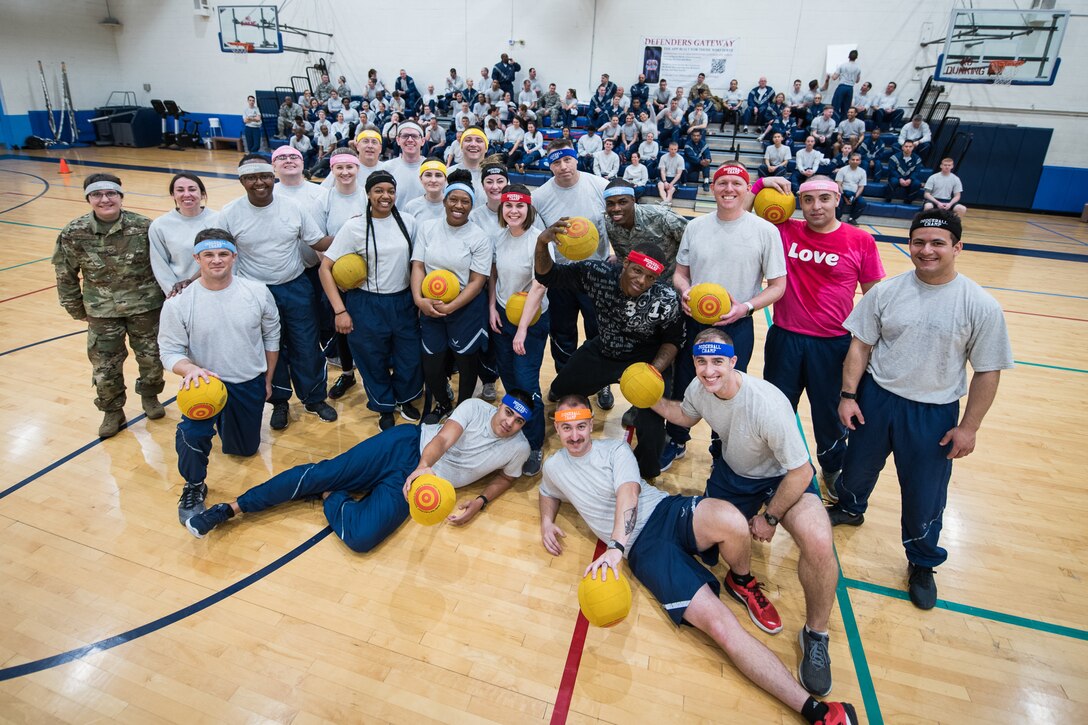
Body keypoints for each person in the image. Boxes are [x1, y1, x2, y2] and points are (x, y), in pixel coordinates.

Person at [540, 395, 860, 725]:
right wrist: (546, 521)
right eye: (567, 428)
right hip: (646, 552)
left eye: (581, 426)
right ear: (557, 428)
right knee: (721, 626)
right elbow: (547, 492)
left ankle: (741, 580)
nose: (575, 435)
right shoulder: (554, 468)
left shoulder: (615, 450)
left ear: (591, 423)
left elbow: (629, 495)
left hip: (666, 511)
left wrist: (615, 547)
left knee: (734, 521)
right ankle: (818, 711)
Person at [826, 209, 1012, 610]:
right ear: (909, 244)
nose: (926, 250)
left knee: (924, 493)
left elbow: (987, 372)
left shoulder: (979, 305)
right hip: (878, 399)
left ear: (957, 248)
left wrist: (970, 427)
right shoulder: (886, 292)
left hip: (933, 413)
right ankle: (850, 508)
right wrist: (848, 395)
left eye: (937, 243)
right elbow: (859, 346)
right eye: (919, 242)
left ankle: (922, 560)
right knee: (857, 467)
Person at [652, 327, 842, 696]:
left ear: (734, 362)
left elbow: (802, 470)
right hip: (734, 475)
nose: (709, 371)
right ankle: (740, 582)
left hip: (782, 477)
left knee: (819, 541)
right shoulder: (698, 387)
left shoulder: (766, 404)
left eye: (717, 362)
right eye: (701, 362)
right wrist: (649, 398)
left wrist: (770, 517)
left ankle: (816, 636)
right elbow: (686, 416)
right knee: (704, 549)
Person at [186, 394, 532, 549]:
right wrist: (424, 466)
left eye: (518, 422)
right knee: (322, 473)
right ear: (499, 405)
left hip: (418, 484)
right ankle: (230, 509)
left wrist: (482, 501)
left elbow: (508, 477)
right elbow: (443, 439)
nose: (509, 423)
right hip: (406, 448)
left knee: (362, 537)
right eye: (508, 413)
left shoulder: (518, 449)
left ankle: (331, 497)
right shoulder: (474, 407)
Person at [755, 173, 885, 499]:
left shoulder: (860, 240)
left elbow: (874, 299)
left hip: (833, 344)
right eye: (809, 200)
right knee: (777, 410)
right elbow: (745, 206)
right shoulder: (785, 230)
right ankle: (774, 469)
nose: (816, 207)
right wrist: (762, 184)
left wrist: (871, 346)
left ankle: (831, 467)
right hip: (785, 338)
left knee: (829, 415)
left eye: (824, 199)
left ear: (838, 199)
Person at [662, 164, 785, 470]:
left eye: (736, 184)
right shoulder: (696, 226)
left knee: (730, 389)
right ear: (713, 188)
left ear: (747, 190)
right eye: (722, 183)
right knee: (686, 385)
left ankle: (722, 447)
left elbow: (778, 287)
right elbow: (680, 274)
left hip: (737, 324)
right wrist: (685, 291)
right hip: (694, 323)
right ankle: (676, 439)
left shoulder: (765, 231)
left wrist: (745, 307)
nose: (729, 189)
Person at [535, 236, 682, 480]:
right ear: (625, 263)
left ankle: (645, 474)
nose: (642, 281)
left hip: (645, 360)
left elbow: (673, 341)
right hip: (604, 349)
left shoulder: (666, 298)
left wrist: (652, 372)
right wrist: (542, 242)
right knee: (560, 389)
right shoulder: (597, 273)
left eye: (650, 277)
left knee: (652, 423)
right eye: (637, 271)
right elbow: (547, 276)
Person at [159, 228, 279, 523]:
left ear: (234, 256)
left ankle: (229, 426)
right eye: (208, 255)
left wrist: (267, 379)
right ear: (196, 258)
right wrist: (189, 369)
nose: (216, 260)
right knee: (191, 433)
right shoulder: (179, 302)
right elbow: (169, 350)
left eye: (223, 253)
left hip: (246, 381)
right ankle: (194, 484)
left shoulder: (256, 292)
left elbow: (271, 336)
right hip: (204, 386)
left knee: (244, 451)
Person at [219, 154, 336, 429]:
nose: (259, 182)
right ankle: (280, 402)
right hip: (255, 293)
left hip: (295, 287)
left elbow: (318, 241)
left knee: (307, 346)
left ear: (273, 177)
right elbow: (217, 252)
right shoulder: (228, 213)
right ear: (242, 181)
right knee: (271, 349)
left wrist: (355, 232)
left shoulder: (293, 207)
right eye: (251, 177)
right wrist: (190, 280)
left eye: (264, 176)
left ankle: (314, 398)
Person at [52, 173, 166, 438]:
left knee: (152, 358)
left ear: (120, 196)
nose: (105, 199)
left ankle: (150, 396)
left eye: (111, 193)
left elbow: (163, 264)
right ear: (89, 199)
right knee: (105, 365)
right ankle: (112, 410)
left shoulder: (144, 226)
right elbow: (65, 274)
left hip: (146, 307)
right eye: (97, 195)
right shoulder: (74, 232)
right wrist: (76, 309)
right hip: (102, 311)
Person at [318, 170, 423, 431]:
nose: (385, 196)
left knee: (408, 357)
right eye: (378, 191)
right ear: (368, 194)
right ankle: (384, 406)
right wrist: (340, 310)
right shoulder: (353, 227)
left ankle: (405, 399)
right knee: (371, 359)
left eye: (390, 191)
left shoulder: (410, 222)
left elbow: (418, 264)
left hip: (403, 301)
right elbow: (325, 268)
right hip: (366, 303)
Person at [532, 141, 611, 403]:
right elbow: (538, 239)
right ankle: (565, 382)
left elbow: (617, 222)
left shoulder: (599, 186)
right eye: (556, 162)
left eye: (567, 159)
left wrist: (615, 253)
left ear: (576, 159)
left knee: (598, 332)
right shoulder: (540, 197)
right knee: (563, 333)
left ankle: (601, 383)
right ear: (549, 165)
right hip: (561, 275)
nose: (563, 166)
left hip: (596, 272)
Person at [411, 170, 492, 424]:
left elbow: (478, 281)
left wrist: (452, 306)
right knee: (432, 364)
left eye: (465, 201)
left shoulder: (479, 237)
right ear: (445, 200)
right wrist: (419, 300)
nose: (458, 205)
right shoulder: (427, 228)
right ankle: (443, 402)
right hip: (430, 306)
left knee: (466, 363)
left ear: (471, 205)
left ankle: (462, 410)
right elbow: (418, 266)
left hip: (464, 308)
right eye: (453, 199)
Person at [488, 185, 548, 475]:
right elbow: (494, 274)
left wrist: (522, 329)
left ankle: (535, 443)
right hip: (502, 314)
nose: (514, 211)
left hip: (531, 321)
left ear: (529, 209)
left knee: (526, 384)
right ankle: (513, 429)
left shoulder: (538, 242)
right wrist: (491, 307)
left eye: (520, 206)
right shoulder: (499, 237)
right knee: (509, 378)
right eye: (508, 206)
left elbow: (539, 285)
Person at [149, 173, 220, 297]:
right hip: (180, 294)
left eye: (192, 189)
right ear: (173, 195)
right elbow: (160, 265)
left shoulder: (219, 219)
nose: (186, 194)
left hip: (216, 290)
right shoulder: (160, 225)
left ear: (202, 194)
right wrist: (175, 293)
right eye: (180, 190)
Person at [603, 179, 687, 283]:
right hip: (639, 286)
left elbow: (693, 243)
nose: (616, 208)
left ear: (633, 200)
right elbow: (623, 258)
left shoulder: (662, 217)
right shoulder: (609, 224)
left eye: (622, 202)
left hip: (671, 283)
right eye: (610, 204)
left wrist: (683, 276)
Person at [382, 121, 426, 204]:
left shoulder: (432, 169)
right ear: (398, 140)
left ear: (422, 141)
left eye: (414, 136)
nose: (410, 140)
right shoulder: (386, 168)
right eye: (405, 136)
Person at [403, 158, 448, 224]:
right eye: (428, 175)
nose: (433, 180)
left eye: (438, 175)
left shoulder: (452, 206)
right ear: (421, 179)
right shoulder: (411, 207)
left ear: (445, 179)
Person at [884, 140, 923, 204]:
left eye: (910, 147)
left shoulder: (917, 159)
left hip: (909, 178)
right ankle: (888, 199)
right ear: (902, 147)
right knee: (893, 181)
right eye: (906, 146)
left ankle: (908, 200)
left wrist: (910, 179)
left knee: (917, 183)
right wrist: (900, 178)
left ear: (913, 147)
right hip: (896, 177)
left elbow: (916, 171)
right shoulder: (894, 157)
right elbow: (892, 170)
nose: (908, 148)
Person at [835, 153, 869, 224]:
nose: (855, 161)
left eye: (857, 160)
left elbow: (861, 186)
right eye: (853, 159)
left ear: (860, 161)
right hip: (842, 192)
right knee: (838, 201)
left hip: (854, 193)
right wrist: (844, 197)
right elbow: (838, 184)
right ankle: (837, 218)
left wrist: (855, 197)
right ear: (849, 161)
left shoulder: (862, 172)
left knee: (862, 202)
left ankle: (852, 218)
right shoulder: (842, 170)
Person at [829, 50, 861, 122]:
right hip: (850, 88)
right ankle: (843, 123)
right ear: (856, 58)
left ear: (848, 56)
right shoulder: (858, 68)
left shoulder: (843, 65)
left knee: (835, 106)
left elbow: (834, 77)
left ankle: (835, 123)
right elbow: (857, 81)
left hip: (842, 87)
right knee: (846, 108)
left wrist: (830, 74)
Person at [656, 140, 685, 207]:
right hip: (665, 177)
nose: (673, 151)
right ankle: (666, 203)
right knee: (660, 186)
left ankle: (664, 204)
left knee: (670, 191)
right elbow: (662, 171)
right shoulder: (663, 157)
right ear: (668, 149)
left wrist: (671, 184)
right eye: (671, 149)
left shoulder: (680, 159)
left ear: (677, 149)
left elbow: (679, 174)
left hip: (674, 178)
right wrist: (665, 181)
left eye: (675, 149)